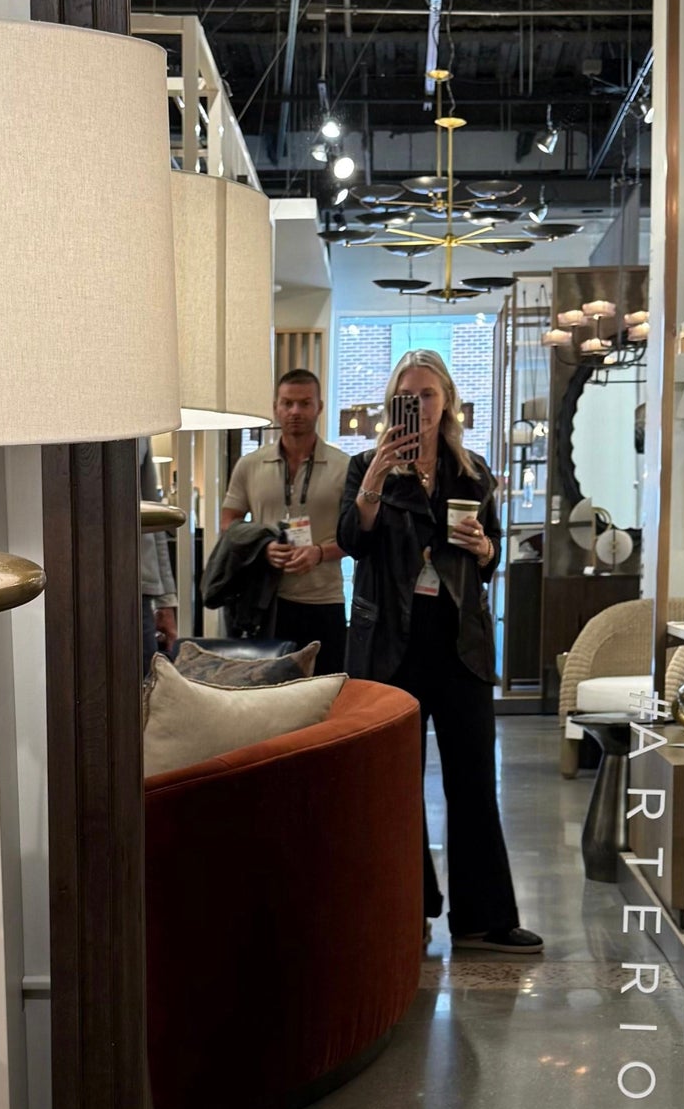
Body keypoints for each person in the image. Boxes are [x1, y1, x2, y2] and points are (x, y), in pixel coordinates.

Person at [337, 349, 542, 954]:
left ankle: (485, 917)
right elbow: (352, 541)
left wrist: (481, 547)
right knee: (396, 784)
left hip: (461, 643)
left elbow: (492, 553)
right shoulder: (364, 467)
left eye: (429, 395)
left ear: (447, 400)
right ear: (391, 403)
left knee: (474, 780)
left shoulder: (472, 471)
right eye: (408, 395)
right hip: (391, 645)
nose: (420, 407)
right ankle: (407, 909)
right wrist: (373, 482)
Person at [220, 369, 348, 675]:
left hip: (324, 601)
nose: (295, 412)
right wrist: (261, 548)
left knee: (324, 695)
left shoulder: (344, 466)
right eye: (287, 403)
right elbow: (228, 523)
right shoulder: (250, 465)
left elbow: (355, 539)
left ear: (319, 407)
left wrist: (318, 552)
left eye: (305, 403)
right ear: (275, 407)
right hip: (266, 601)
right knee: (268, 695)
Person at [140, 437, 177, 672]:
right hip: (71, 584)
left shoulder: (140, 432)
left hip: (138, 589)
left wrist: (166, 601)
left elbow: (155, 518)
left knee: (144, 688)